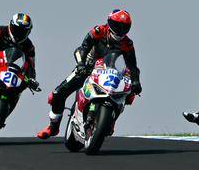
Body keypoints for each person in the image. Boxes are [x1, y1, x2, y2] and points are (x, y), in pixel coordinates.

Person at [37, 9, 142, 139]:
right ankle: (53, 127)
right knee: (57, 94)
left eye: (124, 27)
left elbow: (132, 66)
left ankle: (111, 120)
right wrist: (81, 64)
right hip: (89, 68)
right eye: (117, 26)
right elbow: (82, 48)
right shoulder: (98, 31)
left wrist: (136, 81)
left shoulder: (127, 44)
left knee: (130, 93)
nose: (120, 30)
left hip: (112, 73)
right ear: (109, 23)